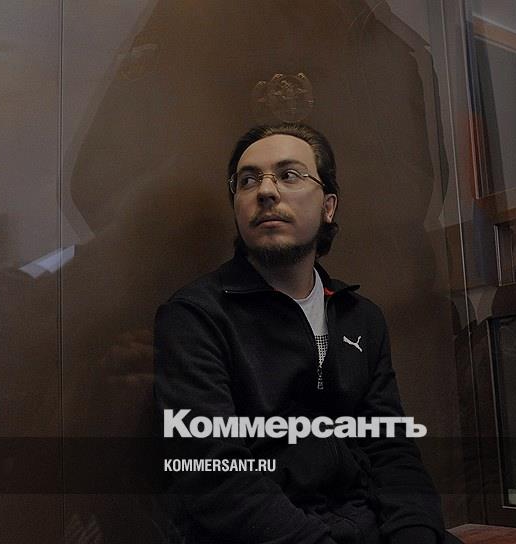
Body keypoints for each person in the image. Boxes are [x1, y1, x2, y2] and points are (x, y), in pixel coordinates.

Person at [153, 123, 454, 544]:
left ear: (328, 206)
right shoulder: (195, 316)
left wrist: (416, 534)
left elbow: (391, 449)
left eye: (289, 175)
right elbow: (213, 472)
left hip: (365, 526)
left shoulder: (360, 318)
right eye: (248, 180)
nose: (266, 191)